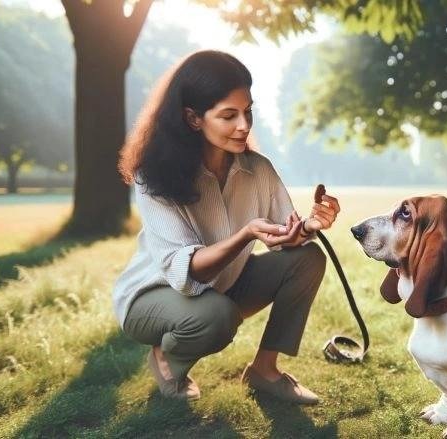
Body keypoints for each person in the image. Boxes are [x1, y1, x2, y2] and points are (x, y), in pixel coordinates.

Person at [114, 50, 339, 404]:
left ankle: (265, 371)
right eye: (228, 115)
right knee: (216, 317)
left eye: (248, 111)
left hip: (221, 287)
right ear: (193, 118)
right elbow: (186, 273)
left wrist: (308, 225)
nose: (244, 126)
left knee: (308, 258)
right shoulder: (152, 177)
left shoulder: (258, 169)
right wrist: (246, 233)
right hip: (153, 298)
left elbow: (284, 236)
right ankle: (165, 355)